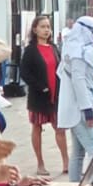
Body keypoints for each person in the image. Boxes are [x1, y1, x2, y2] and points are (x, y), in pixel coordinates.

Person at [57, 15, 93, 182]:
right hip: (80, 109)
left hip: (76, 108)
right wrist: (87, 109)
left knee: (78, 154)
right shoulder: (79, 51)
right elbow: (79, 81)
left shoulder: (71, 48)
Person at [20, 14, 67, 176]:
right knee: (37, 127)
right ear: (35, 29)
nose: (46, 30)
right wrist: (41, 87)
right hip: (39, 97)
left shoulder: (54, 48)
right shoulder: (30, 50)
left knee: (60, 129)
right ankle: (40, 163)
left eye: (48, 27)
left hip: (57, 96)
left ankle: (66, 163)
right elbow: (25, 73)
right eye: (42, 27)